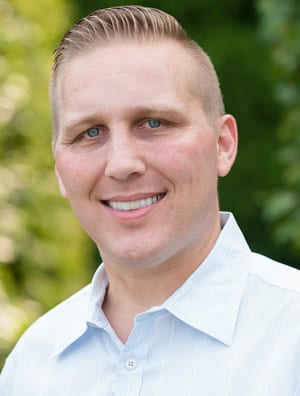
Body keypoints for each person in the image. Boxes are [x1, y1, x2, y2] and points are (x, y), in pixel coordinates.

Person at [0, 5, 299, 395]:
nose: (122, 165)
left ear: (223, 145)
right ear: (59, 169)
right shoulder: (32, 367)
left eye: (154, 123)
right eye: (90, 133)